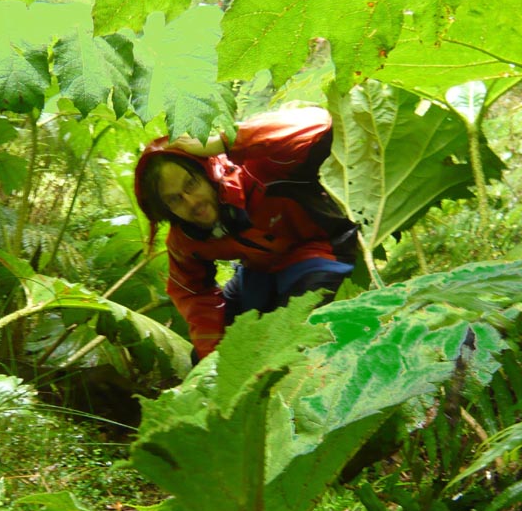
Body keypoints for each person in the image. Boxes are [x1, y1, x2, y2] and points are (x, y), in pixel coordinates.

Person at [134, 106, 358, 362]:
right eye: (175, 199)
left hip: (319, 254)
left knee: (294, 340)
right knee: (207, 357)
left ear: (207, 174)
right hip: (258, 274)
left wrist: (225, 141)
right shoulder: (185, 239)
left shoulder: (255, 171)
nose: (192, 202)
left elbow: (319, 123)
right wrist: (213, 359)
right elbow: (195, 295)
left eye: (191, 184)